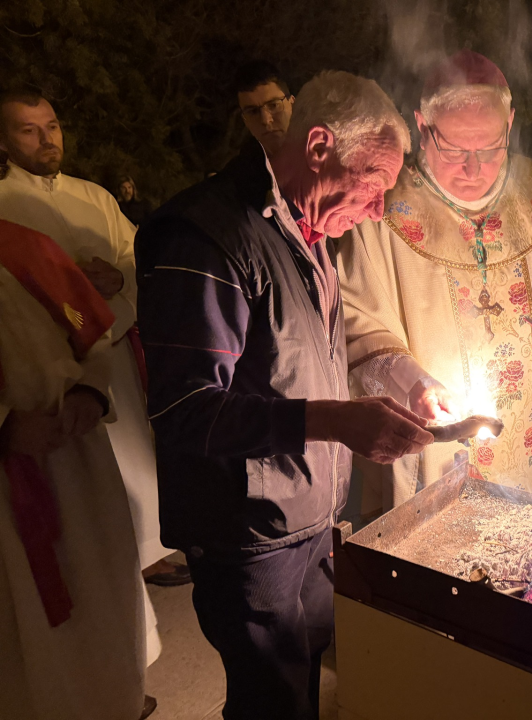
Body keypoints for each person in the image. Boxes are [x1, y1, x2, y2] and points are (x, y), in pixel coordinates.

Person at [136, 70, 433, 720]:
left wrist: (400, 391)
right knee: (269, 700)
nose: (380, 208)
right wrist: (338, 421)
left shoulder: (310, 229)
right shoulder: (208, 236)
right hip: (247, 535)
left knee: (304, 687)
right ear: (320, 146)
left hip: (310, 517)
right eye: (375, 181)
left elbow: (307, 353)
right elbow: (185, 412)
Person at [339, 50, 532, 509]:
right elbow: (354, 318)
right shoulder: (380, 210)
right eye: (456, 150)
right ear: (421, 127)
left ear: (511, 122)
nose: (474, 168)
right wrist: (413, 383)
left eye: (490, 147)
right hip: (440, 440)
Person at [0, 91, 178, 627]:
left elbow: (137, 258)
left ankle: (148, 549)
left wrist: (120, 282)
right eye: (28, 130)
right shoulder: (4, 202)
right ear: (5, 140)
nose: (46, 138)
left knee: (134, 454)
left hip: (113, 350)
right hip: (55, 363)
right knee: (87, 483)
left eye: (51, 125)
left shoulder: (94, 196)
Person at [0, 219, 152, 720]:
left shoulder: (23, 246)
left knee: (98, 606)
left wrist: (90, 390)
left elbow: (90, 331)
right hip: (7, 486)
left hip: (74, 461)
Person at [235, 60, 295, 157]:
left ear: (293, 104)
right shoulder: (240, 170)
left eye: (274, 105)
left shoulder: (325, 158)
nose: (266, 120)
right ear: (245, 120)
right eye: (253, 111)